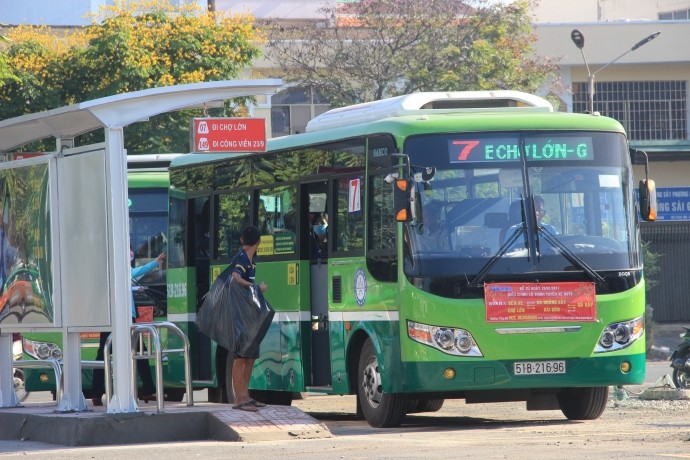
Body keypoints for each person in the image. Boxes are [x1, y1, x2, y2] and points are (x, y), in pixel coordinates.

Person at [91, 251, 166, 407]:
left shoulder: (105, 271)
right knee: (136, 352)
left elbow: (135, 273)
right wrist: (155, 262)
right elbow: (137, 272)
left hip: (114, 317)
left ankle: (97, 393)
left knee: (104, 353)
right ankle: (146, 390)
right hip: (120, 317)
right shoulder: (117, 269)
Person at [229, 226, 269, 412]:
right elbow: (235, 277)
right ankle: (239, 399)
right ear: (258, 242)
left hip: (249, 314)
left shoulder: (251, 260)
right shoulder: (242, 258)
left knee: (250, 356)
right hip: (240, 315)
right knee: (240, 357)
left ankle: (246, 396)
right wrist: (255, 288)